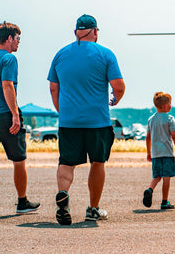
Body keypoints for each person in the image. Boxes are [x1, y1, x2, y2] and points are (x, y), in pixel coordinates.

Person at [48, 14, 125, 225]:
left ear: (76, 33)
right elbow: (117, 85)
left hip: (68, 121)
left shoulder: (60, 55)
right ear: (95, 32)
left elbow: (54, 87)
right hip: (97, 122)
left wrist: (61, 110)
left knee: (66, 163)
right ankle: (93, 209)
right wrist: (115, 99)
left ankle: (63, 194)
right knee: (98, 163)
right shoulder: (106, 54)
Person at [0, 22, 40, 217]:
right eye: (18, 38)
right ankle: (22, 202)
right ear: (10, 38)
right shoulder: (9, 59)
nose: (19, 43)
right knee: (19, 159)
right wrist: (14, 114)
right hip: (4, 114)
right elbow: (7, 86)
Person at [142, 92, 175, 209]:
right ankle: (164, 201)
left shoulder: (151, 119)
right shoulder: (170, 119)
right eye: (170, 103)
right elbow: (174, 135)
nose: (171, 105)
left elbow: (148, 137)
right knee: (166, 177)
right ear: (165, 106)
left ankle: (150, 189)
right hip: (167, 153)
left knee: (157, 176)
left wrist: (149, 152)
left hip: (155, 153)